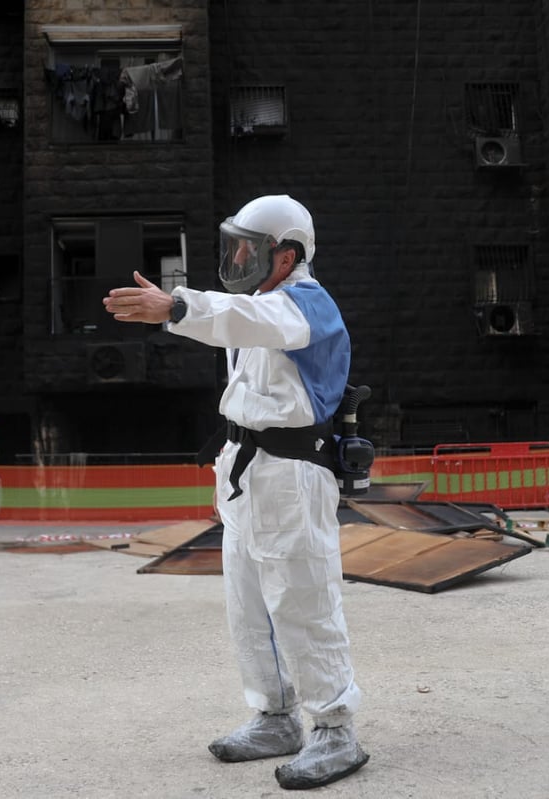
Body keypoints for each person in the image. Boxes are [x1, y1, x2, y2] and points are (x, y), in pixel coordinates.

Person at [103, 195, 369, 790]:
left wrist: (173, 306)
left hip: (293, 474)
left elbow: (241, 321)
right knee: (250, 607)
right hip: (248, 472)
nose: (239, 257)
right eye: (236, 245)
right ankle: (275, 715)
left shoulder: (305, 306)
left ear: (288, 254)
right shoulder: (255, 304)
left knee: (304, 601)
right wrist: (227, 469)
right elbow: (237, 329)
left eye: (251, 248)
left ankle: (334, 728)